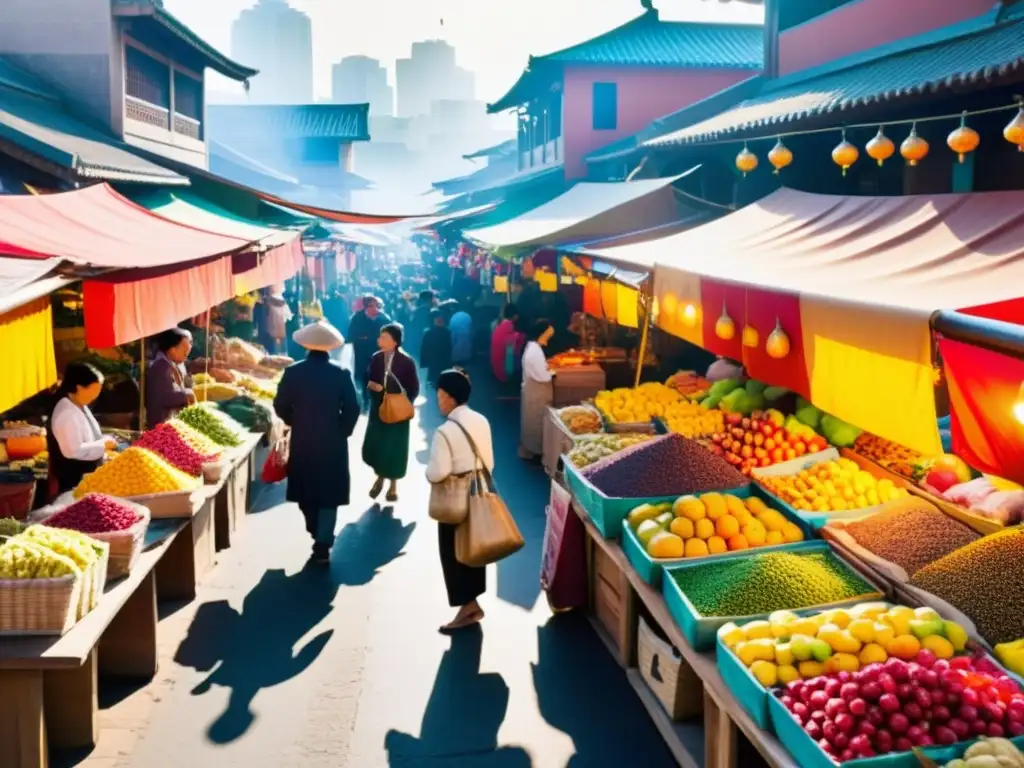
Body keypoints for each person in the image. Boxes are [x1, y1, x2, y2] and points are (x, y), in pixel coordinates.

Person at [273, 321, 360, 563]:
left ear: (306, 348)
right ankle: (323, 539)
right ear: (329, 349)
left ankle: (317, 533)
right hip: (332, 440)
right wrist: (342, 430)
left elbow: (280, 405)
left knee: (305, 489)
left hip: (303, 439)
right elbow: (353, 408)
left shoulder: (293, 372)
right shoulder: (340, 373)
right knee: (329, 492)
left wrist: (294, 420)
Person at [425, 368, 492, 633]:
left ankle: (467, 607)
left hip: (455, 499)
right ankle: (472, 602)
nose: (438, 400)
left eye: (440, 395)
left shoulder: (445, 431)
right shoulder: (481, 420)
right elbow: (491, 461)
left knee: (453, 552)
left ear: (449, 397)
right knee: (475, 548)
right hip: (480, 491)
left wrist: (427, 473)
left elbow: (438, 472)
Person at [362, 323, 419, 502]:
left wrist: (401, 400)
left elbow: (414, 388)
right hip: (378, 409)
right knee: (379, 445)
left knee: (395, 448)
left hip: (397, 413)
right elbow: (367, 378)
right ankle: (379, 478)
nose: (379, 340)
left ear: (395, 341)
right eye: (380, 336)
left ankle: (393, 486)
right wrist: (374, 387)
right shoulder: (376, 358)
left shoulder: (407, 361)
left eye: (384, 337)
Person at [47, 362, 118, 498]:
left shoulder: (79, 404)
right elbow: (72, 451)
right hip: (74, 479)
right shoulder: (66, 413)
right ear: (79, 388)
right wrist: (103, 445)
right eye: (94, 390)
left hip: (87, 475)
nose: (97, 394)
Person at [146, 327, 196, 429]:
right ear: (172, 349)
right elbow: (163, 398)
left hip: (170, 423)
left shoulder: (170, 363)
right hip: (160, 425)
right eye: (184, 352)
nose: (186, 356)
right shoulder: (160, 367)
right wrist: (186, 394)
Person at [519, 319, 555, 460]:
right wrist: (552, 372)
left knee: (532, 420)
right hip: (536, 392)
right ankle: (535, 453)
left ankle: (531, 449)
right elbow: (543, 376)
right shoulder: (535, 352)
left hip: (532, 390)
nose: (548, 338)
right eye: (547, 335)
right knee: (536, 422)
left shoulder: (533, 347)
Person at [348, 296, 391, 394]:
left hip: (379, 352)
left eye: (376, 306)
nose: (374, 308)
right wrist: (362, 337)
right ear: (365, 307)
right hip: (362, 353)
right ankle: (365, 397)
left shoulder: (383, 318)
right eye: (370, 306)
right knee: (364, 378)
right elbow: (350, 335)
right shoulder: (357, 318)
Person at [490, 303, 525, 384]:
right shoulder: (508, 327)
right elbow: (514, 348)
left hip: (496, 368)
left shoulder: (499, 326)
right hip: (503, 372)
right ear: (516, 316)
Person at [420, 309, 452, 389]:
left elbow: (424, 348)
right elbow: (449, 347)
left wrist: (423, 362)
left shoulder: (428, 332)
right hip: (442, 358)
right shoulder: (446, 332)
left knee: (434, 374)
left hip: (434, 358)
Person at [447, 300, 474, 364]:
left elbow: (451, 338)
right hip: (468, 353)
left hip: (455, 355)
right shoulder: (466, 316)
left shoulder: (454, 319)